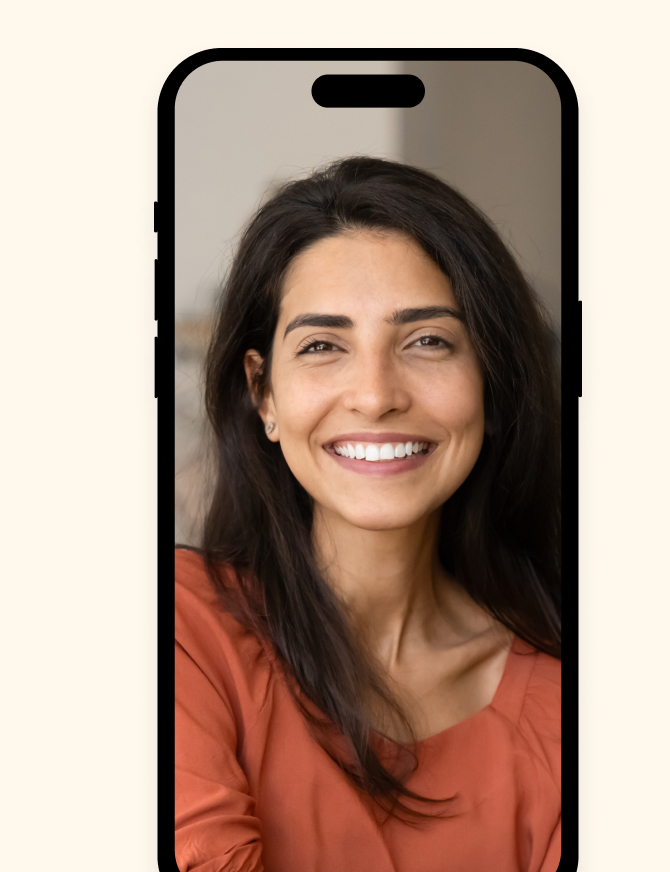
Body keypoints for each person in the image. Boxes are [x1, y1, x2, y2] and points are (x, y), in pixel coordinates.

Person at [175, 157, 561, 872]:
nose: (376, 394)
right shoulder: (177, 629)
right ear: (264, 395)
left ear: (492, 382)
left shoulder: (569, 705)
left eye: (427, 342)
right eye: (323, 346)